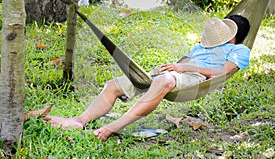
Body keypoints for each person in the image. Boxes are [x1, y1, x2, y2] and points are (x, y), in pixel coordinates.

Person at [45, 15, 251, 141]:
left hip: (197, 77)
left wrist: (181, 67)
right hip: (178, 73)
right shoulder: (201, 45)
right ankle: (80, 120)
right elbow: (182, 60)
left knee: (165, 81)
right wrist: (168, 68)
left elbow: (223, 73)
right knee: (114, 85)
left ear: (232, 35)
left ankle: (112, 128)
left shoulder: (239, 49)